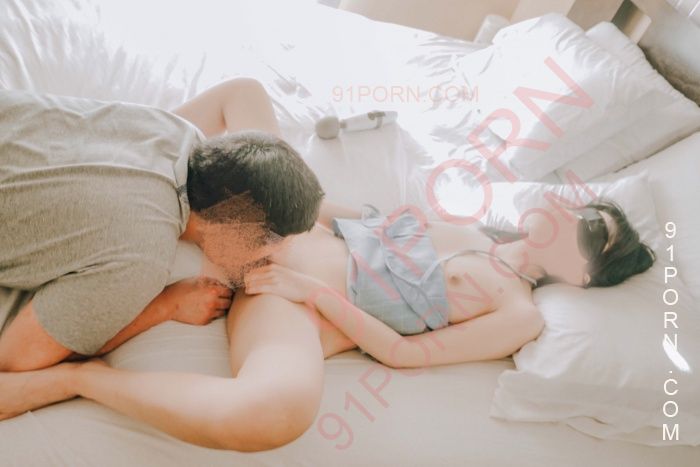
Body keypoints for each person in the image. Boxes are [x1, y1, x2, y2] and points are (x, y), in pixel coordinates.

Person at [0, 79, 331, 450]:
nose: (272, 256)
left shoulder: (176, 132)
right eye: (268, 243)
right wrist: (165, 306)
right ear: (236, 226)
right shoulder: (139, 257)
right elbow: (13, 361)